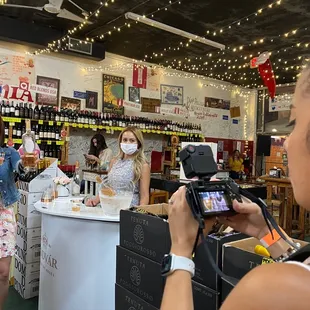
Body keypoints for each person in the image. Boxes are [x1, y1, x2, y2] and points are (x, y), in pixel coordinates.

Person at [160, 66, 310, 310]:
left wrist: (179, 252)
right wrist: (266, 234)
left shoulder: (273, 291)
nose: (287, 141)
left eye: (295, 123)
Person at [86, 127, 150, 207]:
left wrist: (139, 213)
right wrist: (96, 200)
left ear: (138, 144)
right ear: (120, 142)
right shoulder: (114, 161)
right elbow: (108, 186)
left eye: (132, 140)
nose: (127, 143)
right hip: (109, 207)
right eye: (125, 140)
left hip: (128, 210)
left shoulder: (143, 166)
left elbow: (144, 196)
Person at [0, 117, 26, 309]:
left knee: (2, 272)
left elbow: (20, 167)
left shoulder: (9, 153)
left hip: (4, 214)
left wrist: (24, 166)